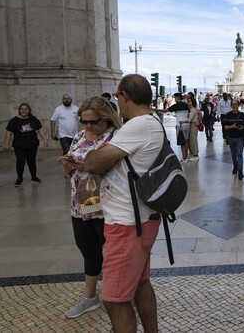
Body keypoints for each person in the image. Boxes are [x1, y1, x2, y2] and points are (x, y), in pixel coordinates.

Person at [82, 74, 163, 333]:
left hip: (127, 225)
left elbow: (94, 162)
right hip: (143, 219)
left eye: (118, 97)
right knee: (141, 284)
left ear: (123, 96)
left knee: (115, 300)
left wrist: (88, 158)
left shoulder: (137, 125)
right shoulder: (153, 122)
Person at [59, 96, 121, 319]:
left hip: (109, 207)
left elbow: (117, 170)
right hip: (81, 206)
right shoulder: (78, 138)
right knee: (89, 251)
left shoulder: (115, 138)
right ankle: (90, 297)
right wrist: (67, 167)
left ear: (106, 119)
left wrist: (85, 165)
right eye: (84, 121)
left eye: (93, 121)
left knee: (114, 254)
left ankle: (122, 296)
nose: (88, 126)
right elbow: (70, 173)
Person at [4, 103, 48, 186]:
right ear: (19, 110)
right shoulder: (14, 120)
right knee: (20, 161)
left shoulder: (33, 119)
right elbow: (9, 132)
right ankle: (19, 178)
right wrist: (6, 143)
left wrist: (45, 139)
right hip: (19, 145)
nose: (23, 110)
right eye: (22, 109)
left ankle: (34, 177)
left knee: (31, 161)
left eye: (25, 109)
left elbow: (40, 129)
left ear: (29, 111)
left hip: (32, 144)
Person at [156, 92, 190, 162]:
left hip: (180, 126)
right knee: (186, 141)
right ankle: (186, 156)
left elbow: (166, 110)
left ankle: (184, 158)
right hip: (187, 125)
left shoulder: (176, 106)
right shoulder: (186, 105)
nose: (174, 99)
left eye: (175, 98)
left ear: (178, 97)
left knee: (182, 142)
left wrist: (156, 110)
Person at [222, 99, 244, 180]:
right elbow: (225, 127)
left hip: (240, 138)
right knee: (233, 154)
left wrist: (243, 127)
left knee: (239, 154)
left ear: (238, 105)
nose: (234, 106)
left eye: (236, 104)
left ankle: (240, 171)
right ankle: (235, 166)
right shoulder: (228, 115)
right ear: (231, 106)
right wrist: (232, 127)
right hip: (231, 138)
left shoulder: (242, 115)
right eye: (233, 104)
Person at [184, 96, 201, 161]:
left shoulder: (193, 110)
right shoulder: (191, 109)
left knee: (193, 139)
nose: (188, 102)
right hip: (192, 125)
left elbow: (189, 119)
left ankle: (195, 154)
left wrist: (183, 121)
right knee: (192, 139)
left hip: (193, 125)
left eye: (189, 101)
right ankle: (194, 153)